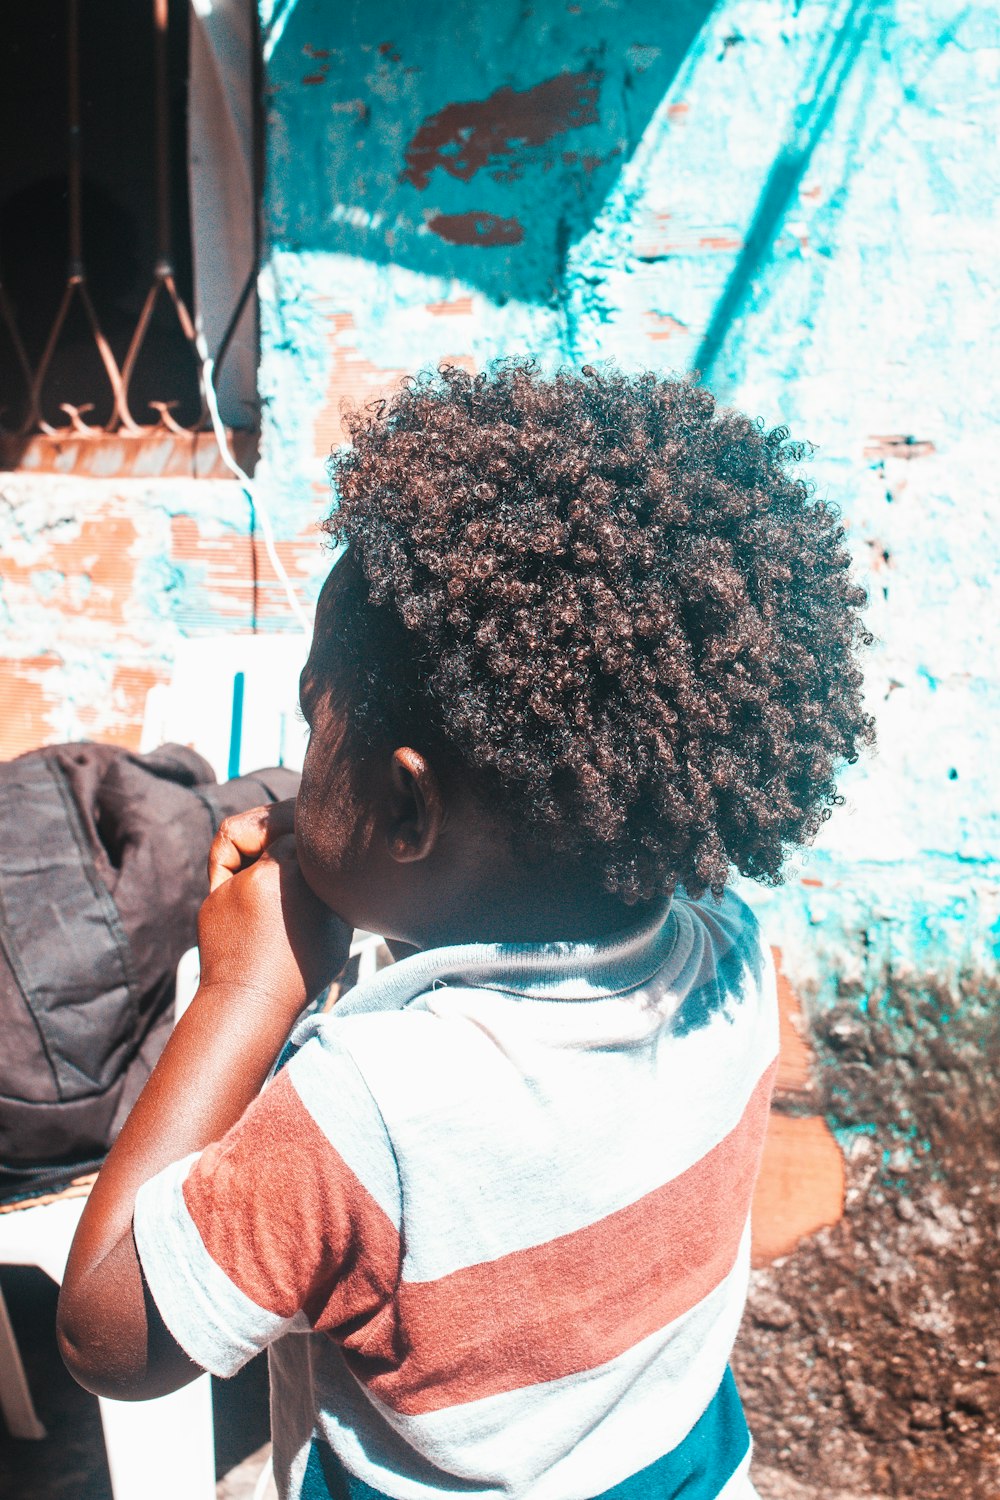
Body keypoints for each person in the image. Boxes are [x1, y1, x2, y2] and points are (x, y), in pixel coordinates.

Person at [57, 363, 873, 1499]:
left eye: (312, 714)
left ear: (405, 809)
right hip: (685, 1466)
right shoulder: (726, 954)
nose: (297, 756)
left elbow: (107, 1335)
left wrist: (246, 991)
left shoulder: (367, 1110)